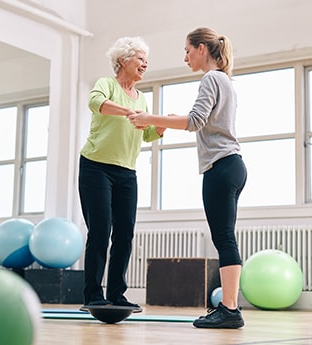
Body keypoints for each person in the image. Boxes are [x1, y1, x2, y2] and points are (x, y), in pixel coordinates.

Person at [128, 27, 247, 328]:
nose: (185, 57)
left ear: (202, 48)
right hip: (232, 165)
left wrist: (150, 118)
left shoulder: (211, 78)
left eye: (187, 50)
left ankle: (230, 310)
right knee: (226, 237)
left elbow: (195, 121)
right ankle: (231, 309)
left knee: (224, 238)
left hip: (221, 166)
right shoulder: (226, 81)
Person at [78, 36, 164, 311]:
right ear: (123, 60)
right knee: (100, 230)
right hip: (96, 167)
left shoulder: (143, 98)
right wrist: (128, 111)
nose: (145, 63)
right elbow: (96, 103)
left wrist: (160, 127)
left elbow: (147, 133)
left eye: (145, 59)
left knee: (124, 233)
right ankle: (93, 293)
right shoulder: (107, 84)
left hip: (126, 172)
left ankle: (117, 292)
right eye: (140, 58)